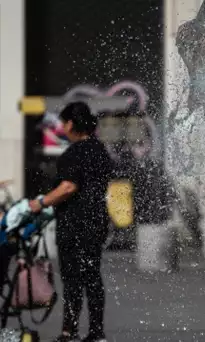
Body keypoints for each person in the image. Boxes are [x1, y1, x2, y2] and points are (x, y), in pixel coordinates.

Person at [29, 102, 114, 342]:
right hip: (96, 220)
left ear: (70, 124)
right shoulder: (100, 150)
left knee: (72, 279)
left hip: (75, 223)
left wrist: (41, 203)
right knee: (92, 276)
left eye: (63, 122)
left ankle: (69, 331)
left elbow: (68, 187)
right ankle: (97, 332)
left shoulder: (74, 153)